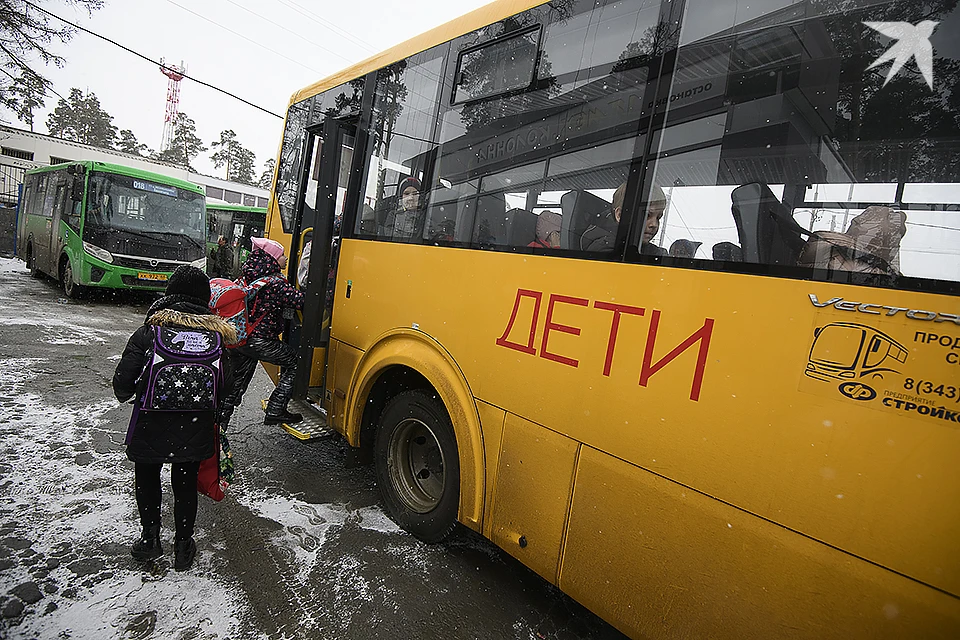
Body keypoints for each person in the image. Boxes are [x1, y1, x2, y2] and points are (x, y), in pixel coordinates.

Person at [113, 265, 236, 571]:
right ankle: (183, 546)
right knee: (184, 483)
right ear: (205, 299)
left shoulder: (148, 333)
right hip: (195, 425)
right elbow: (228, 386)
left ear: (168, 294)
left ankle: (150, 540)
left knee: (148, 477)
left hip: (151, 421)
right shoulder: (216, 338)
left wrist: (134, 392)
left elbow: (122, 384)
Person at [220, 237, 306, 427]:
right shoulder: (275, 283)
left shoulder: (246, 276)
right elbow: (301, 301)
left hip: (240, 338)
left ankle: (218, 428)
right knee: (296, 364)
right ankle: (276, 408)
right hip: (261, 341)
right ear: (272, 258)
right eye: (282, 255)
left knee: (234, 386)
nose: (285, 258)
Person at [580, 183, 667, 256]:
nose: (654, 224)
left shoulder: (637, 247)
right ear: (620, 215)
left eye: (658, 217)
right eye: (647, 215)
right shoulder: (608, 250)